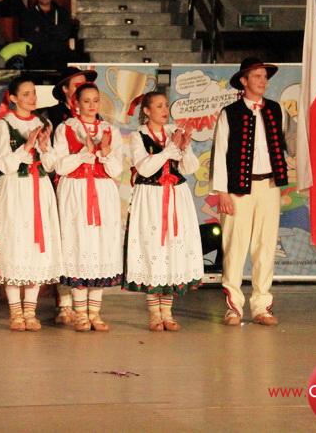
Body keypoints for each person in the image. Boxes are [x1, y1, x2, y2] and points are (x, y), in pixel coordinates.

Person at [211, 57, 289, 327]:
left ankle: (261, 305)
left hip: (269, 185)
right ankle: (234, 307)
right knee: (235, 246)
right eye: (257, 76)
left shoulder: (276, 109)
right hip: (239, 189)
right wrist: (222, 192)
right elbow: (220, 152)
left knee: (265, 246)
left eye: (264, 77)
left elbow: (287, 143)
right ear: (244, 81)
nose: (262, 81)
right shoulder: (230, 113)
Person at [124, 92, 203, 331]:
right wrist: (169, 150)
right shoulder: (138, 136)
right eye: (158, 106)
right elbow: (145, 168)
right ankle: (154, 313)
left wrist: (185, 148)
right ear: (147, 111)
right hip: (151, 197)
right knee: (152, 249)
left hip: (176, 196)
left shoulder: (173, 132)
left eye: (166, 105)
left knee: (172, 249)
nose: (164, 110)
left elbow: (190, 168)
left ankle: (167, 312)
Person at [0, 76, 62, 331]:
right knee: (15, 244)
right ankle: (15, 311)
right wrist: (27, 146)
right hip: (16, 189)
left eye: (33, 93)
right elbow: (4, 164)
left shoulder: (42, 122)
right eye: (25, 94)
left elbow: (51, 165)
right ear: (13, 98)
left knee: (36, 247)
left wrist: (43, 147)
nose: (32, 98)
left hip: (39, 186)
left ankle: (30, 311)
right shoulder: (4, 124)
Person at [53, 82, 124, 331]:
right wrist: (85, 151)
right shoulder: (66, 128)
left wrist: (104, 153)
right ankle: (80, 312)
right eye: (86, 101)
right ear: (76, 103)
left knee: (100, 247)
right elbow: (60, 166)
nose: (92, 105)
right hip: (76, 191)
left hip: (102, 192)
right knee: (79, 245)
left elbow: (116, 169)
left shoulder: (110, 130)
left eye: (95, 100)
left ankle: (95, 312)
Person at [36, 66, 96, 325]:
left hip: (88, 187)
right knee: (65, 241)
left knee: (85, 241)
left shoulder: (96, 118)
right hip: (60, 183)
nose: (83, 90)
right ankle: (64, 303)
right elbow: (49, 155)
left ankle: (88, 302)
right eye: (77, 85)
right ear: (65, 90)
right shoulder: (51, 116)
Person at [21, 0, 75, 69]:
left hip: (60, 54)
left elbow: (65, 34)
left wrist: (41, 29)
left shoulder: (62, 12)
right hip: (38, 55)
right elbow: (30, 37)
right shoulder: (28, 14)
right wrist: (54, 30)